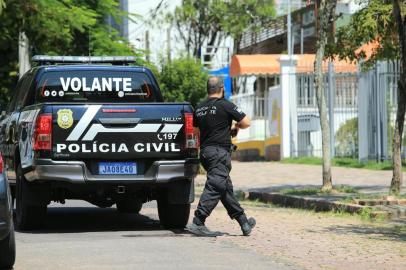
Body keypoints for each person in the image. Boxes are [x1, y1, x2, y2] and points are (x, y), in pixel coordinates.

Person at [189, 76, 256, 236]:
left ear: (208, 89)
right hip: (219, 153)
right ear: (221, 89)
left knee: (225, 189)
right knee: (215, 186)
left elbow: (196, 131)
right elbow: (246, 122)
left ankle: (243, 222)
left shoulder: (199, 108)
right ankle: (198, 221)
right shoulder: (226, 105)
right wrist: (235, 126)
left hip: (205, 153)